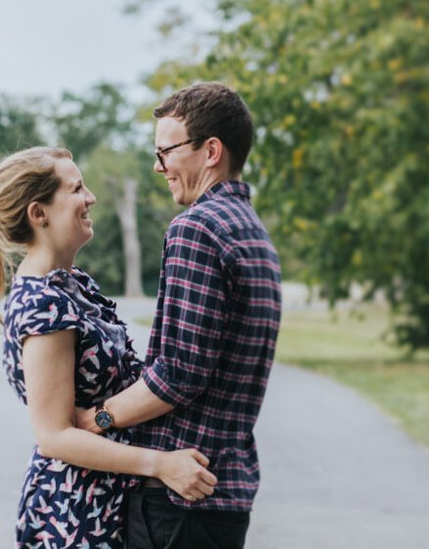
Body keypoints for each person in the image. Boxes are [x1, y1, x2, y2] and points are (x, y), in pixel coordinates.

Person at [0, 146, 218, 548]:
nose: (90, 197)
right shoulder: (42, 303)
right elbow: (55, 435)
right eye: (77, 188)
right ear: (38, 213)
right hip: (76, 515)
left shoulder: (73, 284)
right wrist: (161, 464)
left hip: (109, 502)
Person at [77, 83, 282, 548]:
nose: (158, 166)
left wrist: (95, 421)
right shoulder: (254, 235)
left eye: (165, 151)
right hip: (226, 491)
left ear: (211, 151)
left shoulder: (197, 229)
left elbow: (179, 374)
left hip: (179, 498)